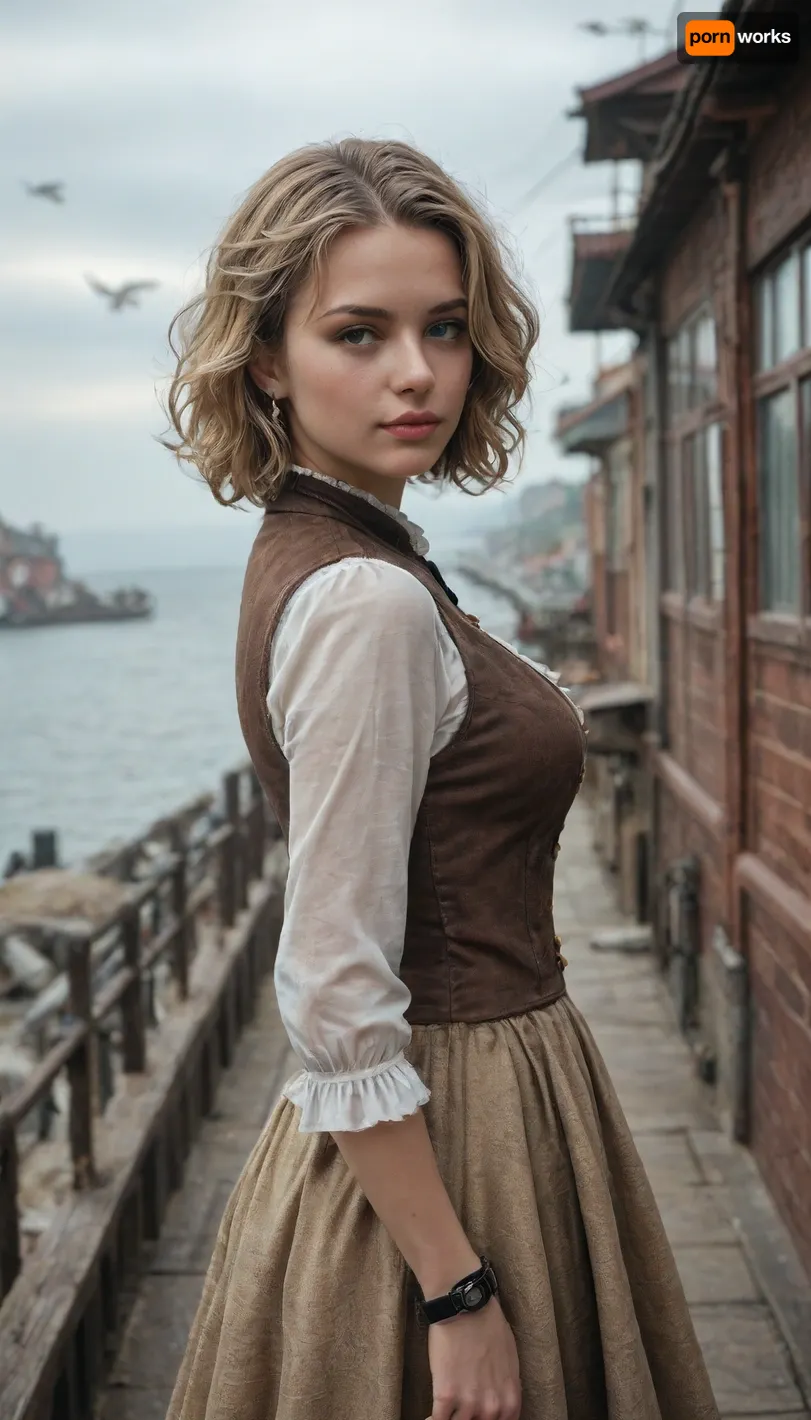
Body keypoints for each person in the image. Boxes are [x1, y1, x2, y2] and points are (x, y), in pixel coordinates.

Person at [161, 138, 720, 1420]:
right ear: (265, 358)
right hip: (455, 1130)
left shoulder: (338, 552)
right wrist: (458, 1293)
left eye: (445, 329)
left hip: (475, 1101)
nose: (416, 373)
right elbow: (336, 985)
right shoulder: (364, 599)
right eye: (358, 333)